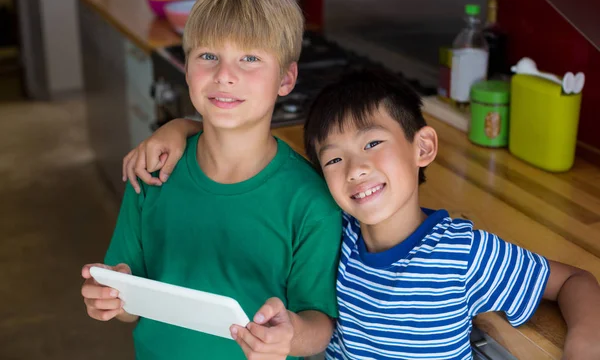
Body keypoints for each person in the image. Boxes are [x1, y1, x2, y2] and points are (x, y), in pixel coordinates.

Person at [126, 69, 600, 359]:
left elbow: (573, 281)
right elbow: (255, 149)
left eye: (373, 143)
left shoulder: (463, 253)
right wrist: (180, 126)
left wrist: (586, 341)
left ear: (423, 147)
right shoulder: (335, 233)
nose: (356, 168)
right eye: (334, 159)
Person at [81, 0, 342, 360]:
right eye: (208, 56)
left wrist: (289, 336)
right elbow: (129, 302)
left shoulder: (312, 202)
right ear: (185, 67)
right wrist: (113, 298)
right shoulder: (153, 173)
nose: (224, 74)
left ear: (286, 79)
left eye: (250, 58)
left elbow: (319, 323)